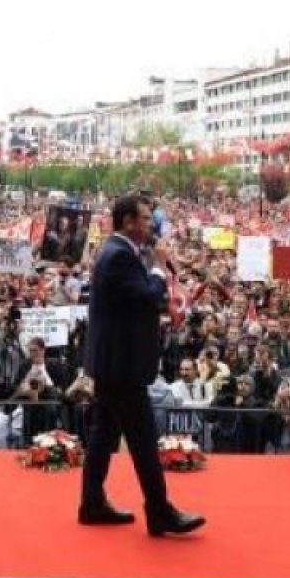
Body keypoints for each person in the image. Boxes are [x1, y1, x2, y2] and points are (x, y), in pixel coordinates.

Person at [79, 194, 204, 537]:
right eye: (147, 218)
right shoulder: (118, 255)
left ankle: (92, 503)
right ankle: (159, 511)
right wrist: (159, 268)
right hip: (122, 367)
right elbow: (148, 294)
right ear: (128, 221)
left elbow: (132, 304)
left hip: (114, 362)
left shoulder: (119, 252)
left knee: (104, 434)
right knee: (144, 440)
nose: (152, 223)